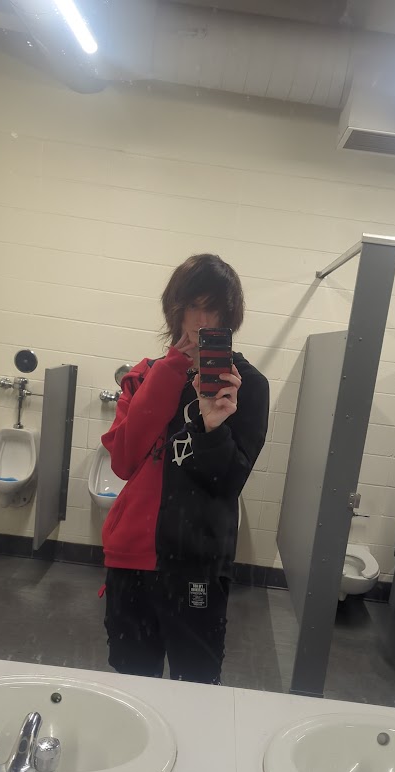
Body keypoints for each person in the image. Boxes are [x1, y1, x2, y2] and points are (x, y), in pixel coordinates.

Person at [100, 254, 270, 684]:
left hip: (199, 564)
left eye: (214, 309)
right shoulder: (143, 377)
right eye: (193, 306)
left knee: (197, 686)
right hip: (132, 559)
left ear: (230, 318)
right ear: (174, 310)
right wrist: (172, 370)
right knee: (130, 683)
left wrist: (213, 427)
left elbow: (228, 483)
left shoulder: (247, 386)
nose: (202, 321)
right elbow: (123, 462)